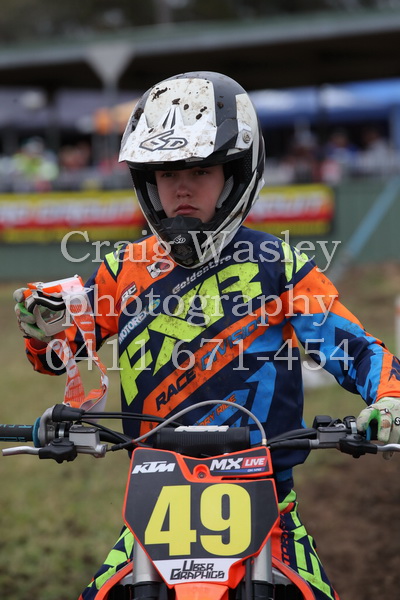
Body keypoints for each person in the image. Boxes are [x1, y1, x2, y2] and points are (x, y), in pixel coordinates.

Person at [14, 72, 400, 600]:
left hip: (269, 510)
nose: (182, 187)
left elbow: (352, 346)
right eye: (167, 172)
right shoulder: (123, 269)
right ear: (148, 181)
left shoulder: (278, 265)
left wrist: (390, 397)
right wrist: (44, 327)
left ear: (235, 174)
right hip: (152, 512)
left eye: (200, 169)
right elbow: (57, 355)